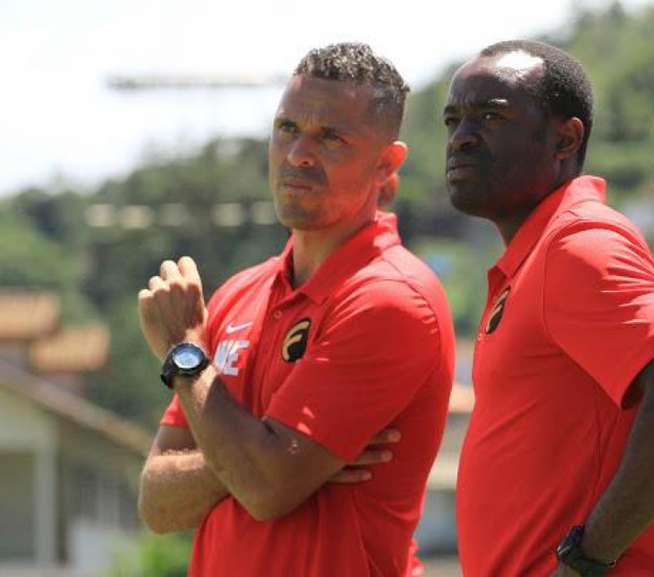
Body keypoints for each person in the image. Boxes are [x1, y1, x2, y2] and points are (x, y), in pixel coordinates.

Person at [136, 42, 455, 577]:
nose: (299, 153)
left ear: (387, 163)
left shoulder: (392, 299)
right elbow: (156, 502)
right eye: (287, 128)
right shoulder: (239, 292)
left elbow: (264, 489)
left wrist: (186, 356)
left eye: (331, 137)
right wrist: (264, 451)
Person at [443, 40, 654, 577]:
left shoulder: (576, 244)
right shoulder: (535, 258)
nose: (461, 138)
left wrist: (585, 561)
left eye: (490, 116)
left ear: (565, 138)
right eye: (453, 119)